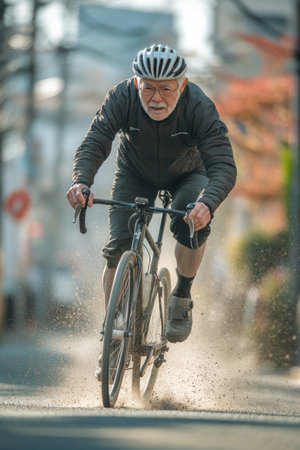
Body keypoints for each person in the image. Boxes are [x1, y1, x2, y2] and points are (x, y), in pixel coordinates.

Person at [66, 44, 237, 353]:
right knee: (118, 247)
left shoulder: (198, 105)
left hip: (188, 174)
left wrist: (207, 204)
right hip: (135, 173)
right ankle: (113, 334)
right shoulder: (122, 97)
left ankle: (182, 293)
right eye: (148, 88)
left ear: (182, 86)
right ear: (136, 83)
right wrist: (81, 182)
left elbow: (223, 164)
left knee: (187, 223)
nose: (156, 98)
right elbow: (95, 141)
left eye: (166, 89)